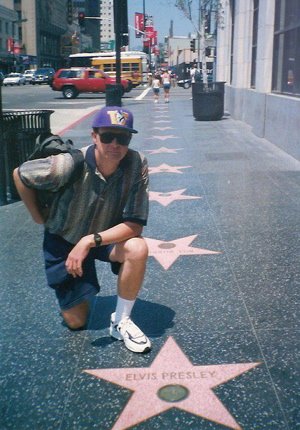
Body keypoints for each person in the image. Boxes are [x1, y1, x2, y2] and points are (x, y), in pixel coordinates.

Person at [13, 106, 151, 354]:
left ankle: (121, 321)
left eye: (123, 138)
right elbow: (19, 174)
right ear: (94, 136)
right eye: (108, 136)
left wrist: (89, 241)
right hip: (64, 237)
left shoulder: (136, 164)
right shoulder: (67, 165)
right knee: (76, 322)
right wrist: (37, 216)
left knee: (137, 247)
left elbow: (135, 224)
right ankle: (77, 287)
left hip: (101, 237)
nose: (115, 145)